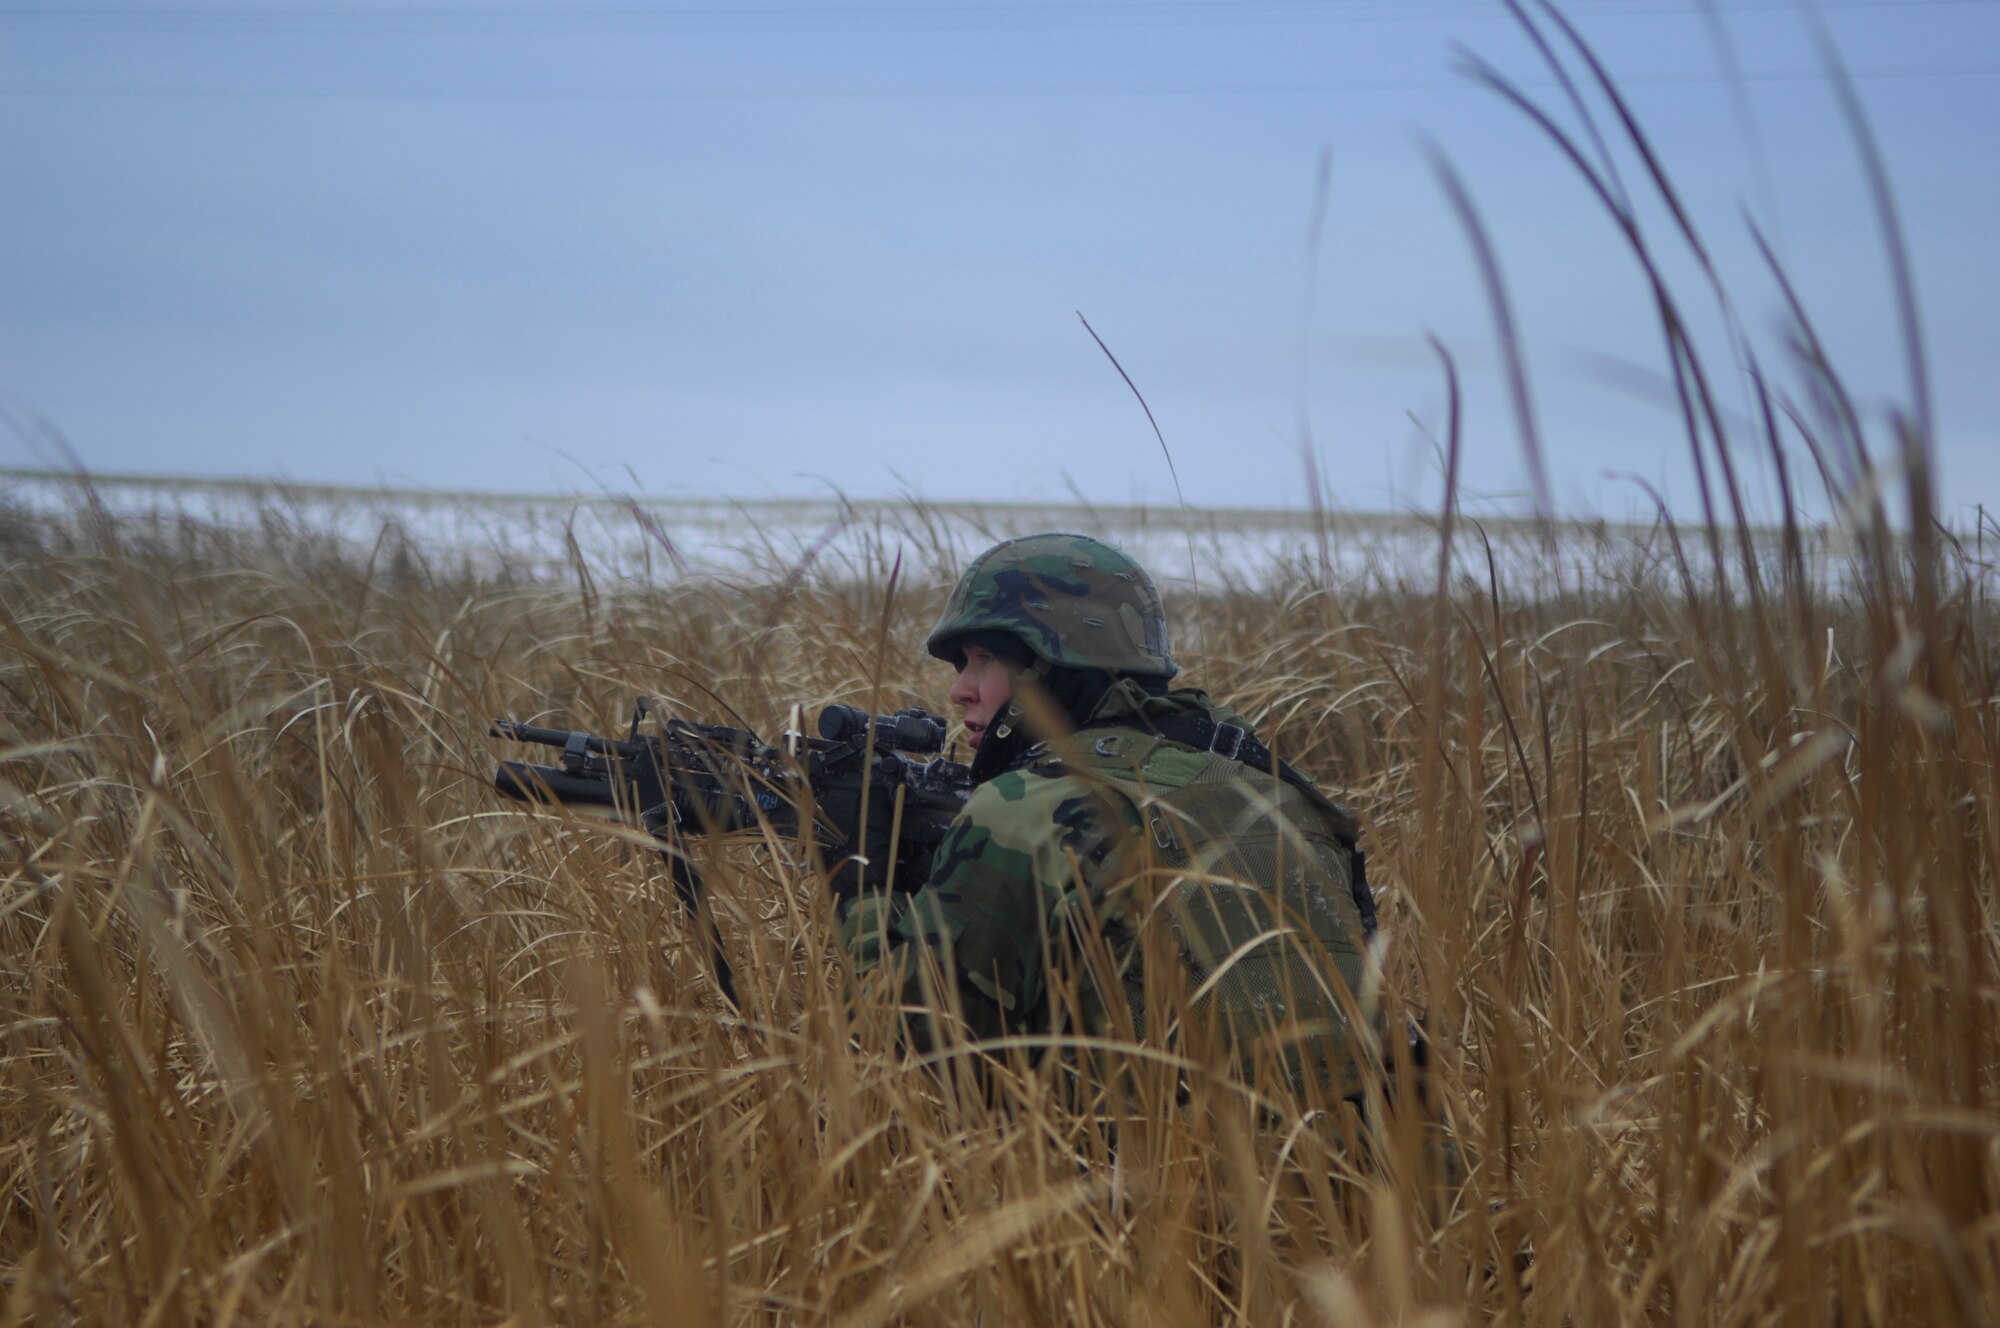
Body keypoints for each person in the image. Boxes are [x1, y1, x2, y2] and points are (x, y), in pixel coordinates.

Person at [840, 532, 1378, 1102]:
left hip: (1164, 1182)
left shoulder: (1023, 810)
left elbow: (902, 1043)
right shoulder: (1277, 784)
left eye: (984, 660)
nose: (958, 690)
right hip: (1370, 1176)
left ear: (1049, 667)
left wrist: (864, 882)